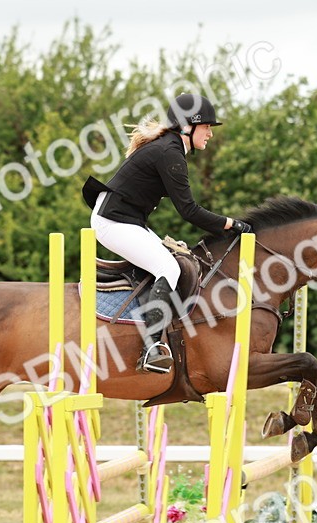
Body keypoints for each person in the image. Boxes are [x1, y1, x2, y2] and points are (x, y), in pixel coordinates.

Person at [82, 93, 252, 374]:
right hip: (113, 222)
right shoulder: (169, 153)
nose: (210, 133)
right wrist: (231, 224)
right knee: (168, 268)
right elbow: (189, 211)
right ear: (187, 126)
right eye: (206, 126)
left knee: (175, 259)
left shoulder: (170, 148)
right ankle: (151, 349)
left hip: (126, 219)